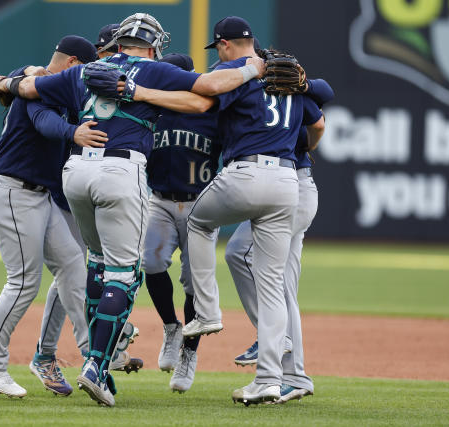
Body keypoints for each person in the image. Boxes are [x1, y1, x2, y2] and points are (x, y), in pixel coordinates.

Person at [0, 12, 266, 406]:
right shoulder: (152, 69)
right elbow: (209, 90)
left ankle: (94, 358)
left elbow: (32, 89)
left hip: (76, 171)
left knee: (96, 264)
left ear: (117, 43)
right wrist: (251, 70)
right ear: (153, 46)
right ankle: (96, 367)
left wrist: (6, 81)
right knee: (123, 274)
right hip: (120, 169)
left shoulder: (87, 70)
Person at [178, 16, 325, 405]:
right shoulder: (287, 77)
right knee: (274, 284)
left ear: (224, 45)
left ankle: (209, 312)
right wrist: (306, 90)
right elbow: (321, 112)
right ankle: (274, 378)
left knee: (198, 223)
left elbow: (202, 95)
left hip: (255, 174)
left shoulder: (233, 72)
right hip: (289, 183)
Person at [0, 35, 98, 398]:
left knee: (73, 264)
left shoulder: (34, 80)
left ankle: (95, 354)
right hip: (13, 192)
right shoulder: (40, 87)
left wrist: (15, 76)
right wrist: (73, 131)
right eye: (84, 69)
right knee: (24, 281)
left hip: (37, 196)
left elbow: (19, 78)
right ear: (74, 63)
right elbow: (45, 124)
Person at [225, 78, 334, 403]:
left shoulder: (281, 90)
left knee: (239, 252)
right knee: (283, 286)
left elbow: (322, 103)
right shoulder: (258, 91)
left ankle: (273, 336)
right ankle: (296, 375)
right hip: (292, 189)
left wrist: (306, 82)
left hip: (293, 187)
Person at [142, 53, 220, 393]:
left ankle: (189, 353)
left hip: (200, 204)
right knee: (151, 261)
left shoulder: (210, 112)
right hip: (159, 199)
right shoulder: (152, 111)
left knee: (193, 283)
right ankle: (172, 328)